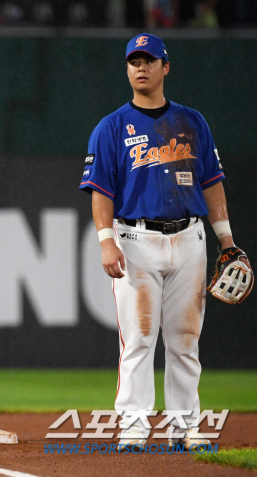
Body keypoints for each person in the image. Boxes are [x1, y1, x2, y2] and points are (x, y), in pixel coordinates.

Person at [79, 34, 249, 449]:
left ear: (165, 67)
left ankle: (185, 426)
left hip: (190, 238)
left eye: (149, 60)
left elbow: (212, 183)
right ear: (126, 69)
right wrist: (105, 241)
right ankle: (134, 426)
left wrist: (225, 240)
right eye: (133, 61)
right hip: (135, 240)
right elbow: (101, 190)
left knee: (185, 340)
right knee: (138, 339)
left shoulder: (192, 123)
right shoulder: (112, 127)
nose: (141, 67)